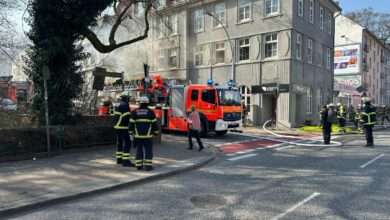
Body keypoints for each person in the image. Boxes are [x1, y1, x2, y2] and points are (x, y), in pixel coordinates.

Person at [129, 96, 159, 171]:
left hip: (138, 136)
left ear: (140, 103)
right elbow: (155, 124)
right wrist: (156, 132)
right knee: (148, 150)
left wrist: (130, 133)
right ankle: (148, 166)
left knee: (139, 150)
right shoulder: (151, 112)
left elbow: (131, 124)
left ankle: (138, 166)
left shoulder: (134, 112)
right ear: (147, 103)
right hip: (148, 136)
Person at [113, 94, 134, 167]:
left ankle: (119, 159)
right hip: (124, 127)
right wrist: (130, 125)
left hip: (118, 126)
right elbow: (126, 117)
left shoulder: (119, 104)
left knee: (119, 143)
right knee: (127, 143)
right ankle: (126, 161)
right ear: (126, 99)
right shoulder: (125, 105)